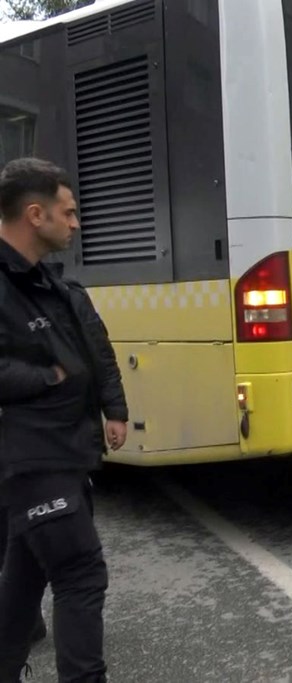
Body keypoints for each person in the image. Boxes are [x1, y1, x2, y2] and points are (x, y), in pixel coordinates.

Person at [0, 157, 128, 683]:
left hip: (65, 451)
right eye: (69, 212)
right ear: (36, 214)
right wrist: (47, 379)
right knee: (80, 573)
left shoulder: (52, 284)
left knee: (26, 577)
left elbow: (93, 351)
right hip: (31, 456)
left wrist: (110, 407)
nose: (76, 224)